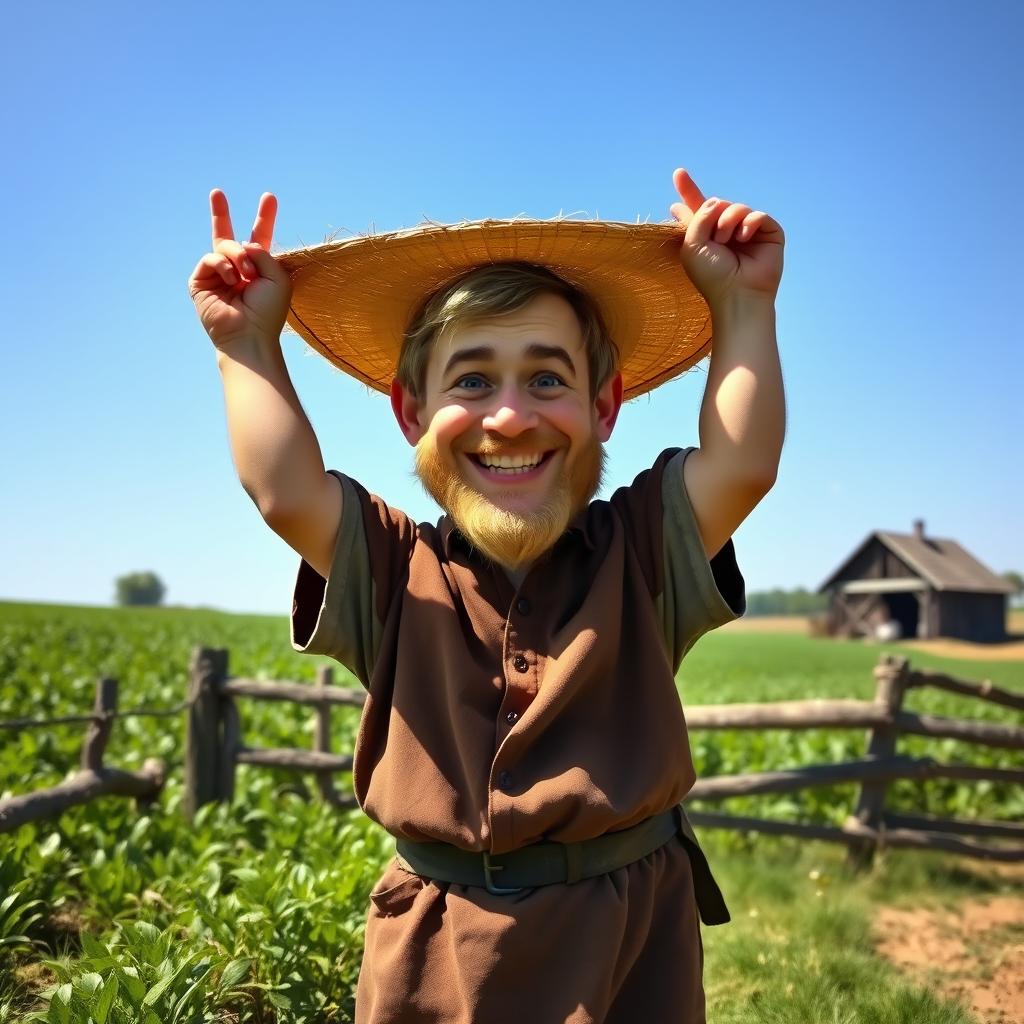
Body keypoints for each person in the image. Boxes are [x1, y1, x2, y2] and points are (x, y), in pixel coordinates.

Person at [187, 168, 786, 1023]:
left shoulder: (643, 550)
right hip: (438, 950)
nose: (509, 416)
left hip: (630, 944)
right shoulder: (393, 569)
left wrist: (744, 309)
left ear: (605, 404)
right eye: (471, 382)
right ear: (410, 412)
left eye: (547, 379)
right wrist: (246, 347)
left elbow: (744, 464)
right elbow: (285, 490)